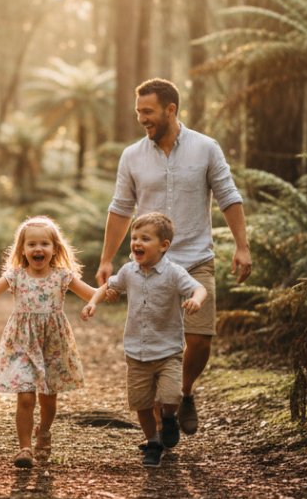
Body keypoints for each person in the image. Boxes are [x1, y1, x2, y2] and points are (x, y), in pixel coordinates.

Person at [96, 78, 252, 438]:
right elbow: (120, 209)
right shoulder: (132, 156)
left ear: (170, 109)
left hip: (196, 258)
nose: (142, 119)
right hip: (149, 267)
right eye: (138, 113)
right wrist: (107, 259)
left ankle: (183, 392)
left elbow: (228, 196)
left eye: (147, 112)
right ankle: (163, 411)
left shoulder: (206, 148)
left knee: (200, 338)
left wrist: (242, 246)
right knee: (154, 343)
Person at [0, 216, 110, 469]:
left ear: (55, 249)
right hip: (21, 343)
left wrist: (105, 294)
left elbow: (96, 293)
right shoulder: (16, 276)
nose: (38, 249)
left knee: (48, 399)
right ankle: (25, 449)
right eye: (31, 244)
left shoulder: (63, 276)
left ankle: (43, 430)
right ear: (22, 249)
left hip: (53, 344)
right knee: (25, 396)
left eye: (44, 244)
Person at [83, 212, 206, 468]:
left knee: (171, 395)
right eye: (134, 237)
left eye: (145, 238)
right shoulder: (129, 271)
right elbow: (109, 286)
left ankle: (170, 418)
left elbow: (199, 287)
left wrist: (196, 299)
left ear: (163, 246)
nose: (137, 243)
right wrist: (94, 301)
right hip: (136, 353)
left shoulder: (174, 273)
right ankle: (152, 442)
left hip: (168, 350)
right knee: (141, 404)